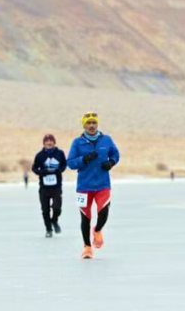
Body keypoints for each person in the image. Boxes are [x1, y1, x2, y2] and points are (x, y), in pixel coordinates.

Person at [68, 111, 120, 259]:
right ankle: (87, 247)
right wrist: (84, 159)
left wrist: (111, 163)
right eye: (88, 123)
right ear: (84, 125)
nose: (91, 126)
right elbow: (70, 163)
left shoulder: (106, 140)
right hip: (84, 186)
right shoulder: (77, 143)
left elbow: (116, 154)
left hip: (103, 184)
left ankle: (97, 230)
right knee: (85, 217)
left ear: (97, 124)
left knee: (103, 213)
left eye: (94, 123)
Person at [31, 134, 67, 238]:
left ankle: (54, 221)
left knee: (57, 208)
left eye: (51, 140)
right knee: (45, 210)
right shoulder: (40, 155)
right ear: (44, 143)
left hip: (56, 186)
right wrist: (42, 172)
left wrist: (59, 170)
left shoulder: (60, 153)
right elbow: (34, 168)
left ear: (54, 142)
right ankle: (48, 229)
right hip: (44, 187)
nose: (49, 142)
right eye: (47, 141)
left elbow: (64, 164)